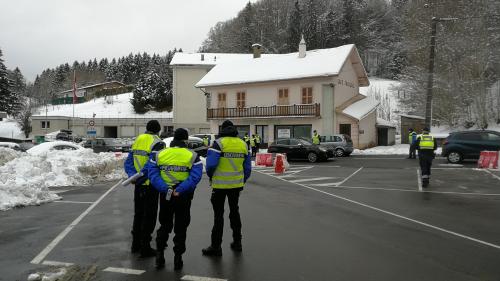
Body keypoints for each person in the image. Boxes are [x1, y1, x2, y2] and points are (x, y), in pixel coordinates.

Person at [146, 128, 203, 270]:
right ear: (185, 140)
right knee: (181, 227)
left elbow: (152, 174)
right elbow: (195, 177)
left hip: (166, 195)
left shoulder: (159, 155)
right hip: (182, 196)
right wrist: (180, 190)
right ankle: (178, 258)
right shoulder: (192, 155)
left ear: (173, 139)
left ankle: (160, 255)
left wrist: (165, 189)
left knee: (164, 224)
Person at [202, 120, 252, 256]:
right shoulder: (243, 144)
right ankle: (237, 243)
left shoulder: (218, 143)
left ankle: (216, 246)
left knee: (218, 216)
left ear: (222, 129)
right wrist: (242, 180)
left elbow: (211, 165)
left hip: (219, 186)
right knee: (234, 213)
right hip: (236, 185)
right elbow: (247, 168)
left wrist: (212, 177)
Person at [124, 120, 165, 257]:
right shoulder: (158, 142)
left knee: (138, 214)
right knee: (150, 216)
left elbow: (129, 161)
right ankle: (145, 247)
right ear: (158, 130)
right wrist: (140, 177)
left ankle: (135, 244)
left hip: (138, 184)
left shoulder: (138, 139)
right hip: (150, 184)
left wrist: (132, 177)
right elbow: (152, 165)